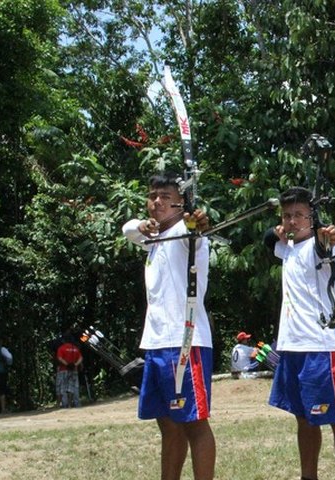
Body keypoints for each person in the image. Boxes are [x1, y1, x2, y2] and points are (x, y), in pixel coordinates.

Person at [122, 171, 215, 480]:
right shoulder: (154, 239)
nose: (157, 202)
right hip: (157, 343)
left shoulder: (188, 237)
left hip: (185, 341)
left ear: (181, 203)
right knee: (167, 422)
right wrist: (141, 225)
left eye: (165, 197)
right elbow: (128, 229)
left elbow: (198, 230)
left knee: (194, 423)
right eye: (152, 196)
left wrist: (196, 222)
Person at [266, 186, 335, 480]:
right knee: (304, 418)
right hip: (292, 346)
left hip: (323, 346)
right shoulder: (287, 249)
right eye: (287, 216)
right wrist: (279, 231)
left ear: (313, 218)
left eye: (300, 216)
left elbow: (327, 243)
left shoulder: (322, 246)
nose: (292, 222)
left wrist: (327, 236)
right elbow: (268, 239)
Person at [55, 335, 83, 408]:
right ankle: (75, 404)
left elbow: (60, 358)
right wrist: (75, 365)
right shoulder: (75, 348)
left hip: (63, 370)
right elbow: (80, 358)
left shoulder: (61, 348)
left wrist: (67, 364)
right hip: (74, 370)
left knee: (63, 387)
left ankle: (65, 404)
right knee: (73, 387)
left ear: (64, 341)